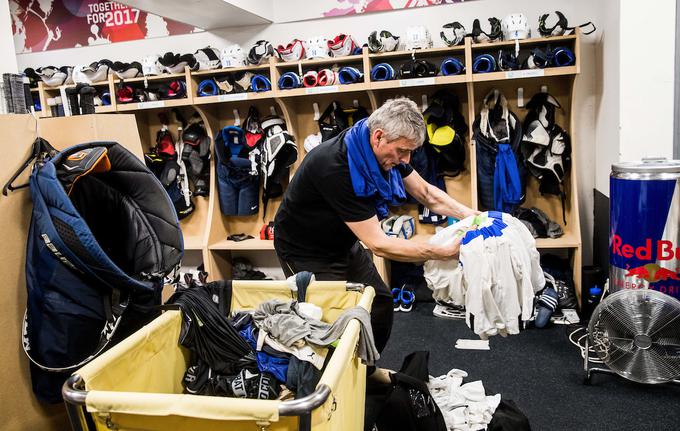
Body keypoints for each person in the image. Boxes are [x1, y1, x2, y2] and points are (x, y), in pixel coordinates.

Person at [274, 97, 477, 359]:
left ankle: (364, 374)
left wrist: (474, 216)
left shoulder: (379, 148)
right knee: (328, 324)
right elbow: (379, 244)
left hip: (343, 243)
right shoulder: (335, 166)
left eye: (411, 152)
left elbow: (427, 193)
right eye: (403, 151)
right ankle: (333, 386)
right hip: (304, 251)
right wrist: (443, 251)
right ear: (378, 136)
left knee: (379, 304)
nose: (406, 159)